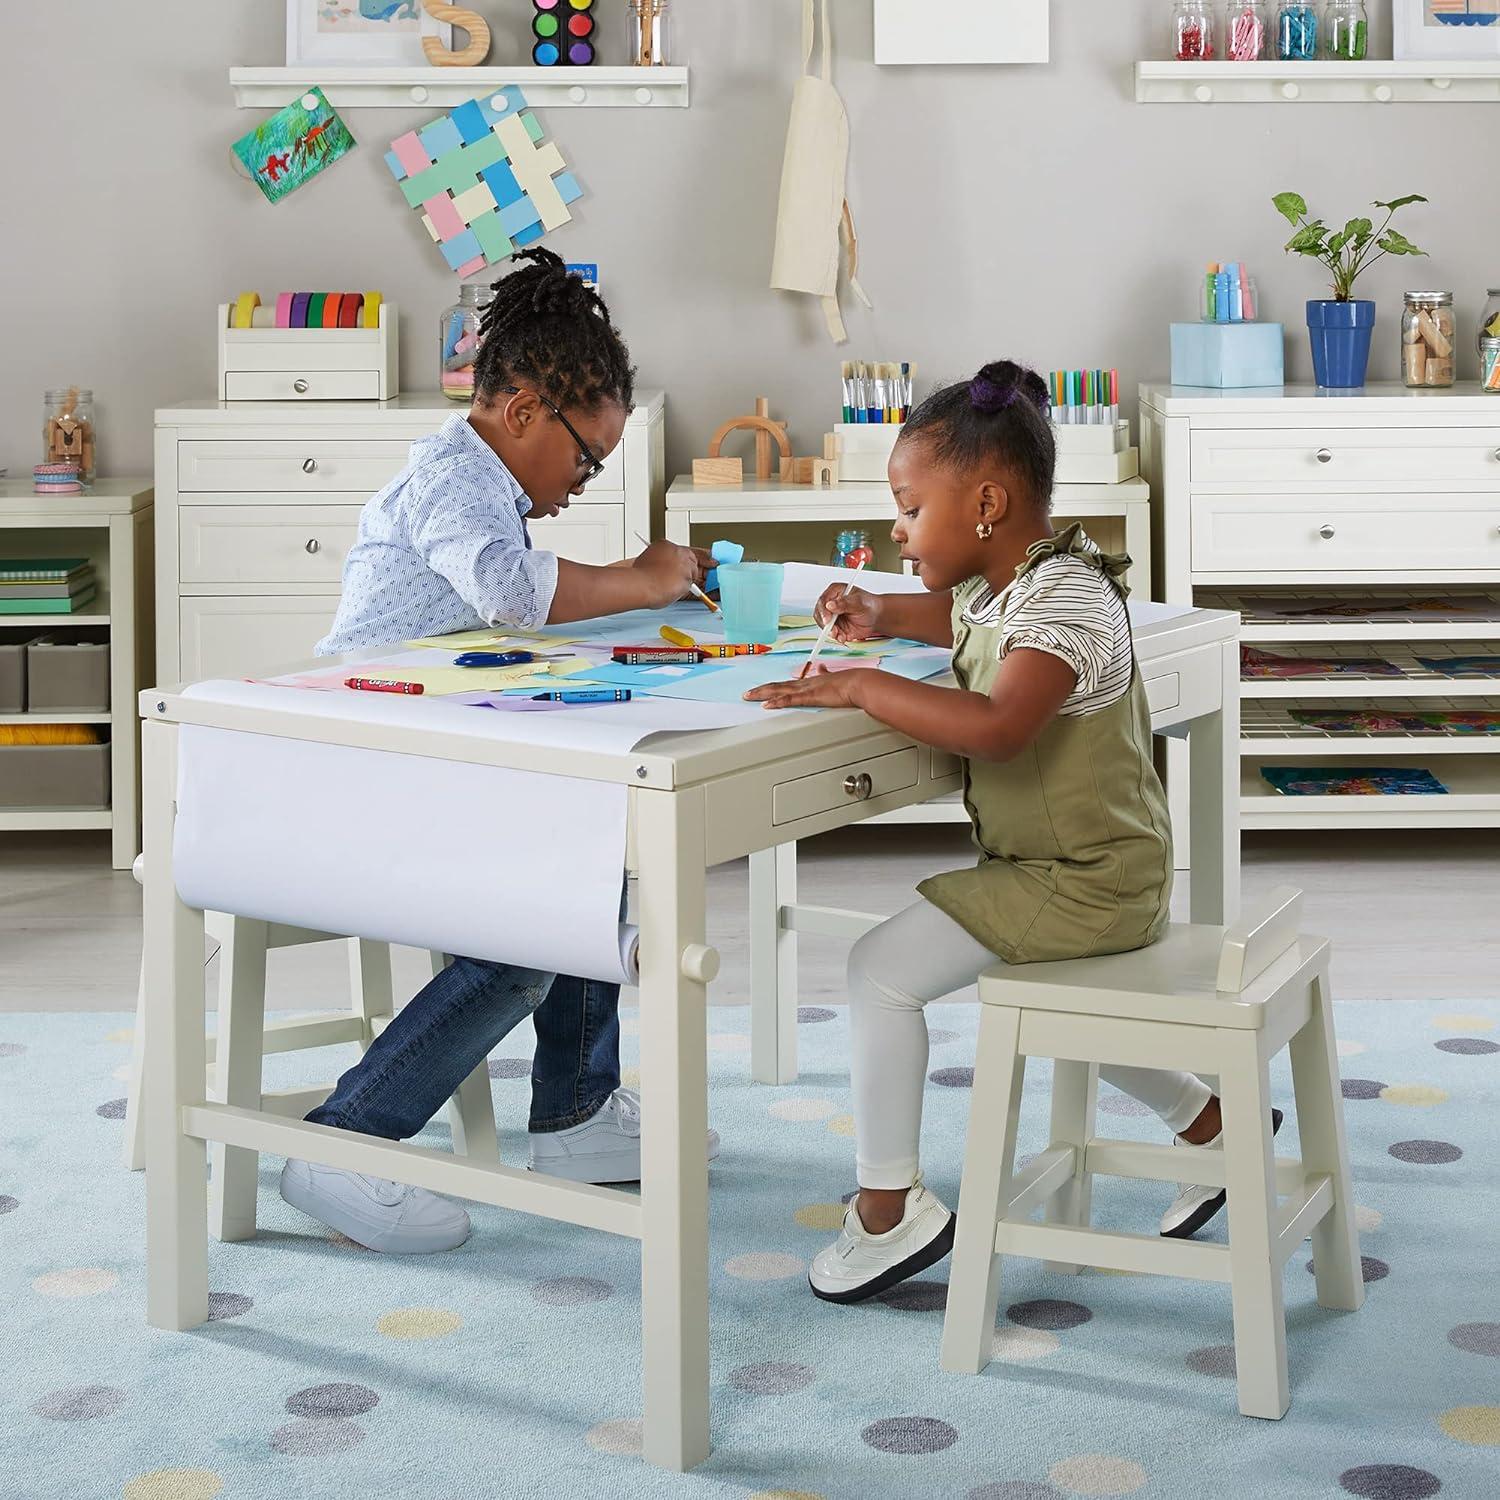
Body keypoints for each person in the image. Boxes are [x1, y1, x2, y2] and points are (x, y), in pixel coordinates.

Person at [747, 359, 1277, 1304]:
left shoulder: (1065, 599)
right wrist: (875, 614)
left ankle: (887, 1210)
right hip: (1072, 867)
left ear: (985, 501)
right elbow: (953, 614)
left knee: (876, 971)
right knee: (1051, 993)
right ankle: (1214, 1124)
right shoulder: (1014, 584)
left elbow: (1000, 724)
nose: (896, 532)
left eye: (909, 510)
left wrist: (865, 683)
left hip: (1088, 877)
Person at [281, 248, 719, 1254]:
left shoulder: (486, 488)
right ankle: (349, 1140)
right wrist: (640, 575)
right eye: (587, 458)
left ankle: (575, 1111)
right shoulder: (451, 484)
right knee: (534, 924)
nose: (584, 480)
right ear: (523, 410)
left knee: (590, 853)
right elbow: (511, 596)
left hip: (420, 755)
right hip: (357, 767)